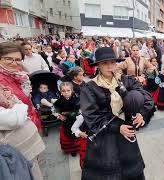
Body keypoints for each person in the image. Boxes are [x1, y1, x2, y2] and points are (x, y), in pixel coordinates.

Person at [80, 47, 153, 180]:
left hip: (126, 134)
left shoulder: (125, 80)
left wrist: (141, 113)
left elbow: (146, 96)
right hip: (104, 136)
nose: (109, 67)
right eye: (104, 63)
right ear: (98, 65)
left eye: (112, 62)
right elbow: (91, 117)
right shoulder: (90, 87)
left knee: (130, 170)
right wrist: (117, 128)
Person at [0, 42, 45, 180]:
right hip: (15, 144)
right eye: (9, 59)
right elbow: (12, 114)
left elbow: (25, 102)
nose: (14, 63)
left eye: (18, 59)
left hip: (30, 130)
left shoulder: (18, 77)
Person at [54, 82, 81, 157]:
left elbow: (81, 109)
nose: (66, 93)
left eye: (68, 90)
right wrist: (59, 115)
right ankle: (73, 149)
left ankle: (80, 147)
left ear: (72, 90)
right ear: (61, 92)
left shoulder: (77, 99)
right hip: (67, 122)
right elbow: (54, 109)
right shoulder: (59, 102)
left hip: (77, 120)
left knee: (78, 134)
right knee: (70, 135)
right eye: (63, 91)